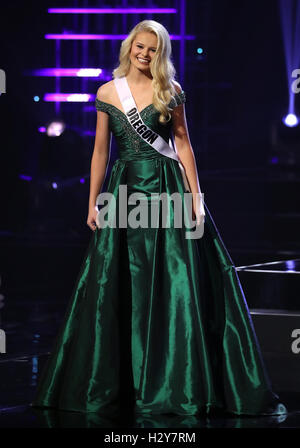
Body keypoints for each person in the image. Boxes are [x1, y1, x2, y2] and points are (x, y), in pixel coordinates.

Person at [31, 20, 287, 417]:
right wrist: (93, 202)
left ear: (161, 52)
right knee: (119, 283)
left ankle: (176, 381)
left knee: (175, 281)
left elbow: (183, 146)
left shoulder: (170, 91)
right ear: (129, 46)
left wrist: (195, 198)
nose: (145, 54)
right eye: (140, 46)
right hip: (125, 189)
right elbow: (101, 152)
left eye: (153, 49)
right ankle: (118, 381)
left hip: (168, 188)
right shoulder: (107, 92)